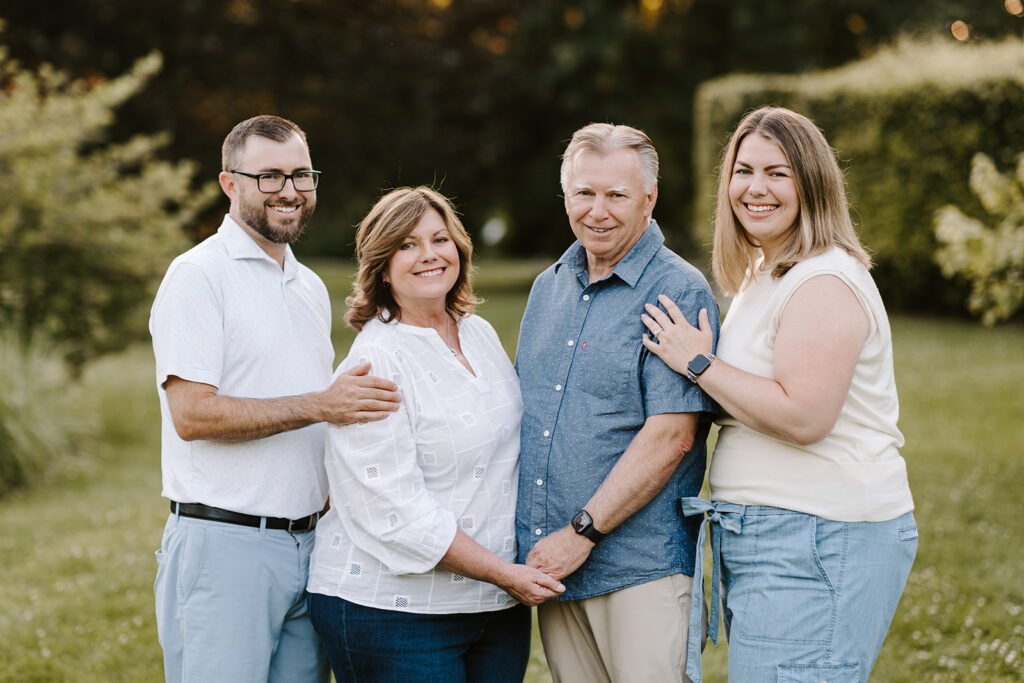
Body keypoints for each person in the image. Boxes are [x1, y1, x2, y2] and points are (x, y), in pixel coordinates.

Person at [641, 106, 917, 682]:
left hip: (820, 535)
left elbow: (804, 415)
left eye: (777, 173)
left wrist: (697, 361)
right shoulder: (767, 274)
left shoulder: (824, 280)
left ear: (811, 184)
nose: (755, 188)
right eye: (743, 171)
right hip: (777, 534)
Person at [149, 115, 401, 682]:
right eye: (269, 176)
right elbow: (192, 415)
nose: (289, 190)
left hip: (311, 548)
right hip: (226, 547)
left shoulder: (308, 285)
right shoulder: (197, 276)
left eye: (301, 174)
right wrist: (320, 404)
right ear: (229, 184)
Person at [305, 186, 565, 682]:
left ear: (460, 249)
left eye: (439, 239)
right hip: (391, 612)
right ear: (382, 265)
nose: (428, 255)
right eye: (406, 245)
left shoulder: (478, 332)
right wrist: (503, 572)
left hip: (493, 605)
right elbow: (392, 509)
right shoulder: (377, 361)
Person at [515, 123, 720, 683]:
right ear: (565, 195)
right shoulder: (548, 287)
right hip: (556, 570)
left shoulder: (677, 290)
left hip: (638, 569)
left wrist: (579, 534)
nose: (597, 211)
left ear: (649, 198)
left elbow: (671, 436)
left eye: (616, 195)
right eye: (584, 193)